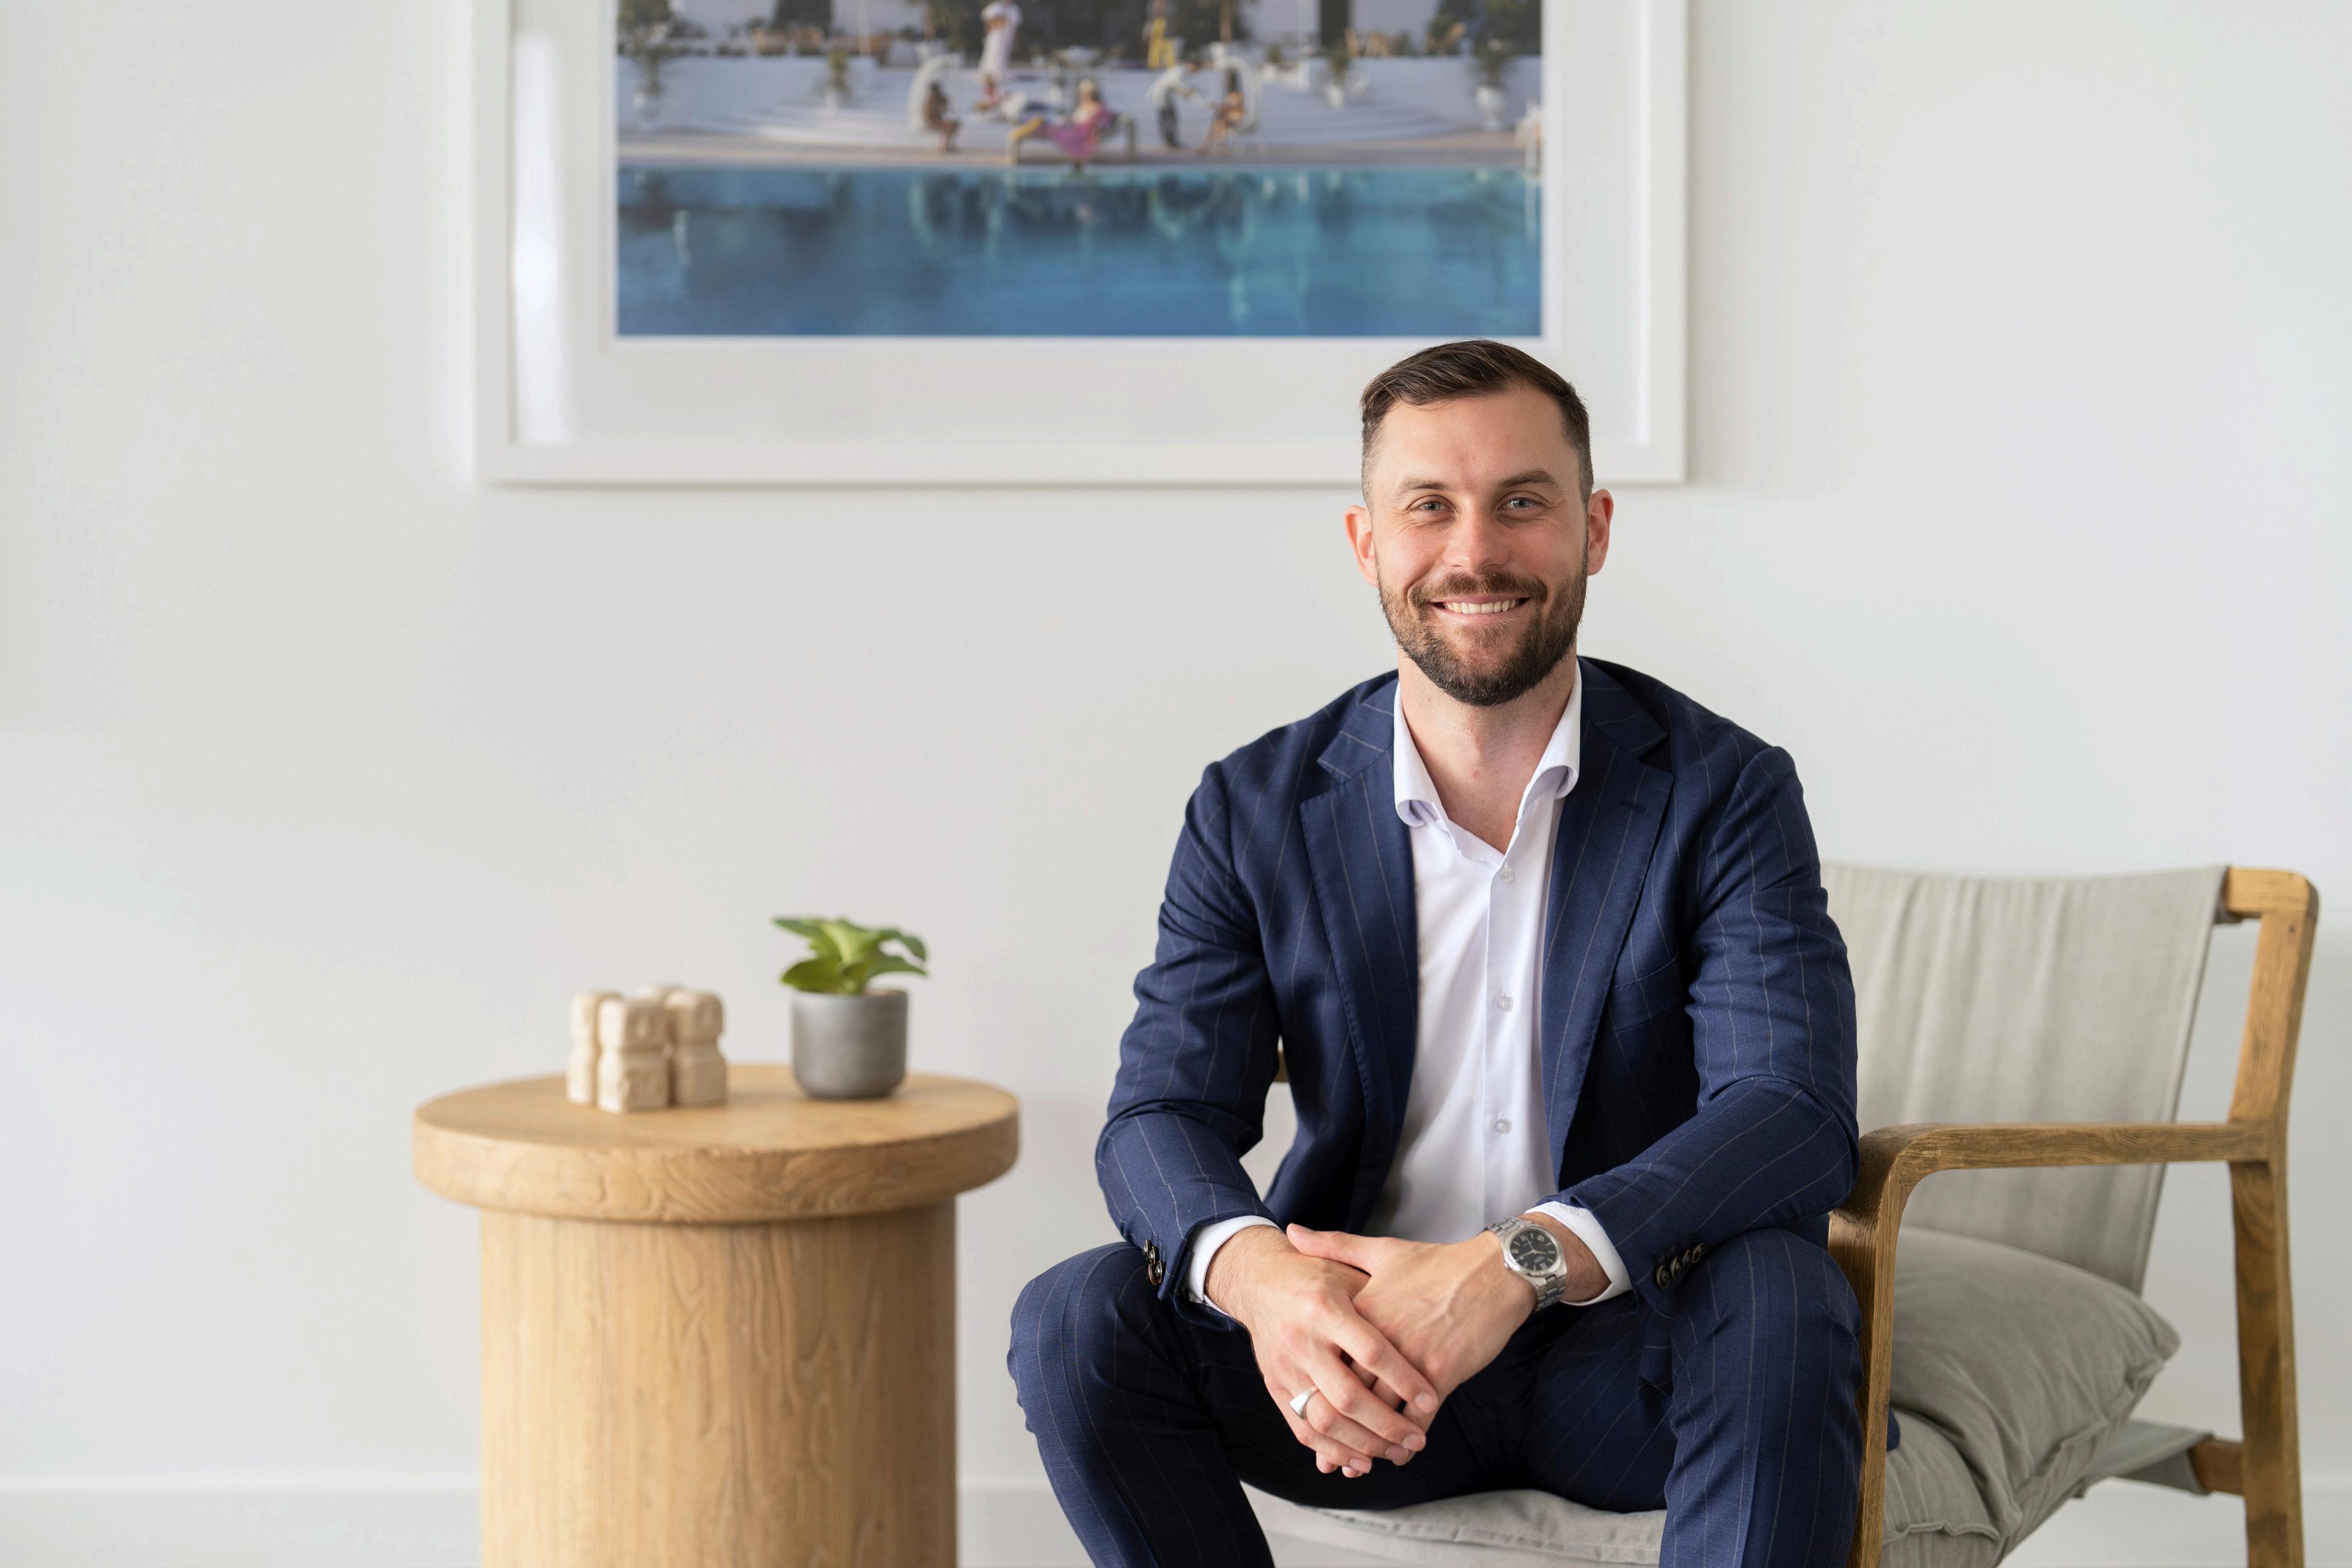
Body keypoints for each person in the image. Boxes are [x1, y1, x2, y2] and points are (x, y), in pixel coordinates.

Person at [1009, 338, 1869, 1568]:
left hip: (1628, 1358)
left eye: (1521, 501)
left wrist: (1517, 1264)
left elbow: (1790, 1112)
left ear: (1593, 530)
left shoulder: (1724, 789)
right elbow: (1159, 1114)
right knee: (1076, 1316)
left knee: (1784, 1295)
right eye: (1429, 507)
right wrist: (1263, 1281)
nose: (1474, 552)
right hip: (1359, 1362)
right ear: (1367, 543)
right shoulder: (1254, 806)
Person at [1005, 76, 1118, 170]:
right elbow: (1074, 119)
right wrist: (1068, 121)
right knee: (1040, 122)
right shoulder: (1084, 106)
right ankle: (1018, 134)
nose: (1083, 96)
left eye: (1085, 94)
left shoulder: (1099, 108)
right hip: (1072, 128)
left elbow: (1104, 123)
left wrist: (1093, 129)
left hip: (1078, 133)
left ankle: (1017, 134)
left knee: (1041, 123)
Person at [1147, 55, 1203, 150]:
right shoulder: (1181, 71)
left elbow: (1176, 86)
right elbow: (1175, 83)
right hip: (1161, 96)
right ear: (1192, 65)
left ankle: (1171, 141)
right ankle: (1170, 142)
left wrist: (1186, 92)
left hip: (1166, 97)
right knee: (1168, 118)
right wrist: (1187, 91)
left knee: (1171, 117)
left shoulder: (1182, 71)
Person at [977, 0, 1020, 108]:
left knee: (1000, 68)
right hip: (994, 41)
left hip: (1005, 43)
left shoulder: (1014, 9)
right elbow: (987, 19)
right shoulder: (995, 7)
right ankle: (989, 93)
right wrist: (995, 23)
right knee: (990, 66)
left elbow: (1015, 26)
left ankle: (996, 94)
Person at [1198, 65, 1245, 154]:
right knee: (1216, 121)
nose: (1225, 82)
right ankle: (1210, 145)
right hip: (1229, 115)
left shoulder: (1236, 94)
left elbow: (1235, 108)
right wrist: (1218, 107)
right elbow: (1227, 107)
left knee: (1219, 121)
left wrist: (1218, 107)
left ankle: (1217, 145)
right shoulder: (1229, 93)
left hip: (1237, 115)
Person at [922, 78, 960, 152]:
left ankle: (947, 144)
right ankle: (943, 145)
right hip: (932, 122)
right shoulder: (930, 100)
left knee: (955, 124)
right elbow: (929, 115)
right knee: (948, 126)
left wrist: (946, 103)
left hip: (939, 120)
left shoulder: (941, 98)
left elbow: (947, 109)